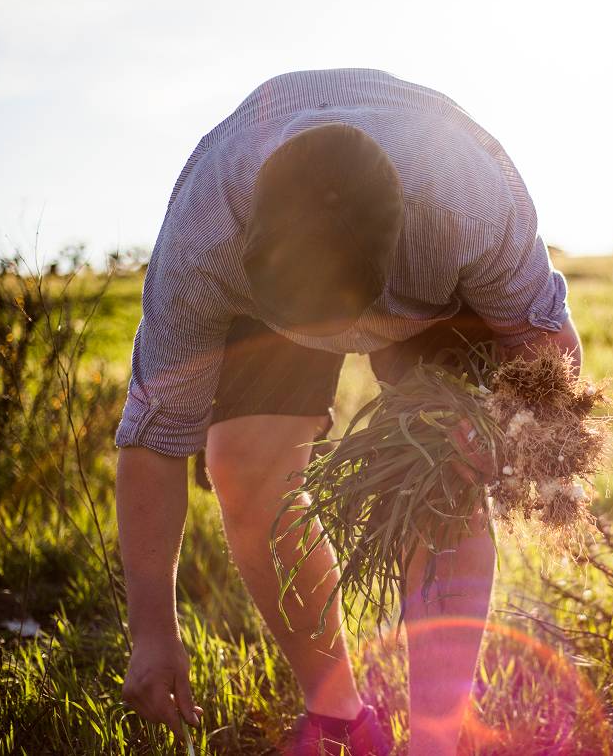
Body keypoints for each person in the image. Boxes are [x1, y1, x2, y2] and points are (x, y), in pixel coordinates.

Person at [114, 69, 581, 756]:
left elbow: (545, 351)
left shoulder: (466, 200)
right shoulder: (201, 244)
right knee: (242, 470)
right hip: (260, 294)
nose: (344, 341)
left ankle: (433, 741)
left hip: (434, 286)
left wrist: (509, 438)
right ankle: (338, 716)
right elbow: (154, 441)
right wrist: (152, 634)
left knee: (445, 470)